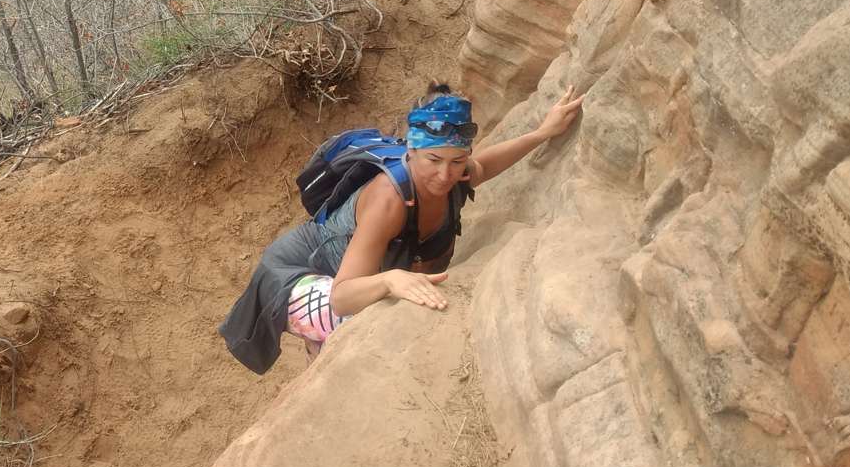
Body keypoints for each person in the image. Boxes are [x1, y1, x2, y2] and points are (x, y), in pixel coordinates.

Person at [219, 83, 584, 371]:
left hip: (346, 274)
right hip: (296, 277)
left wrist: (542, 133)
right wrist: (390, 279)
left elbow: (486, 166)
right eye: (433, 160)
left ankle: (320, 349)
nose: (445, 174)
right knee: (362, 330)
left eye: (457, 161)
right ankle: (319, 352)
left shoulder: (456, 175)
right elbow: (342, 297)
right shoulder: (389, 199)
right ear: (411, 150)